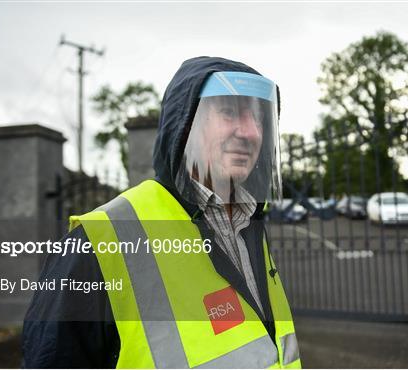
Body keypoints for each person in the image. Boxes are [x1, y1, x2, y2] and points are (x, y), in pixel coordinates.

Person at [22, 56, 300, 369]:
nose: (250, 132)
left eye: (258, 117)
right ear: (186, 126)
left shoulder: (247, 223)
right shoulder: (98, 241)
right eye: (229, 111)